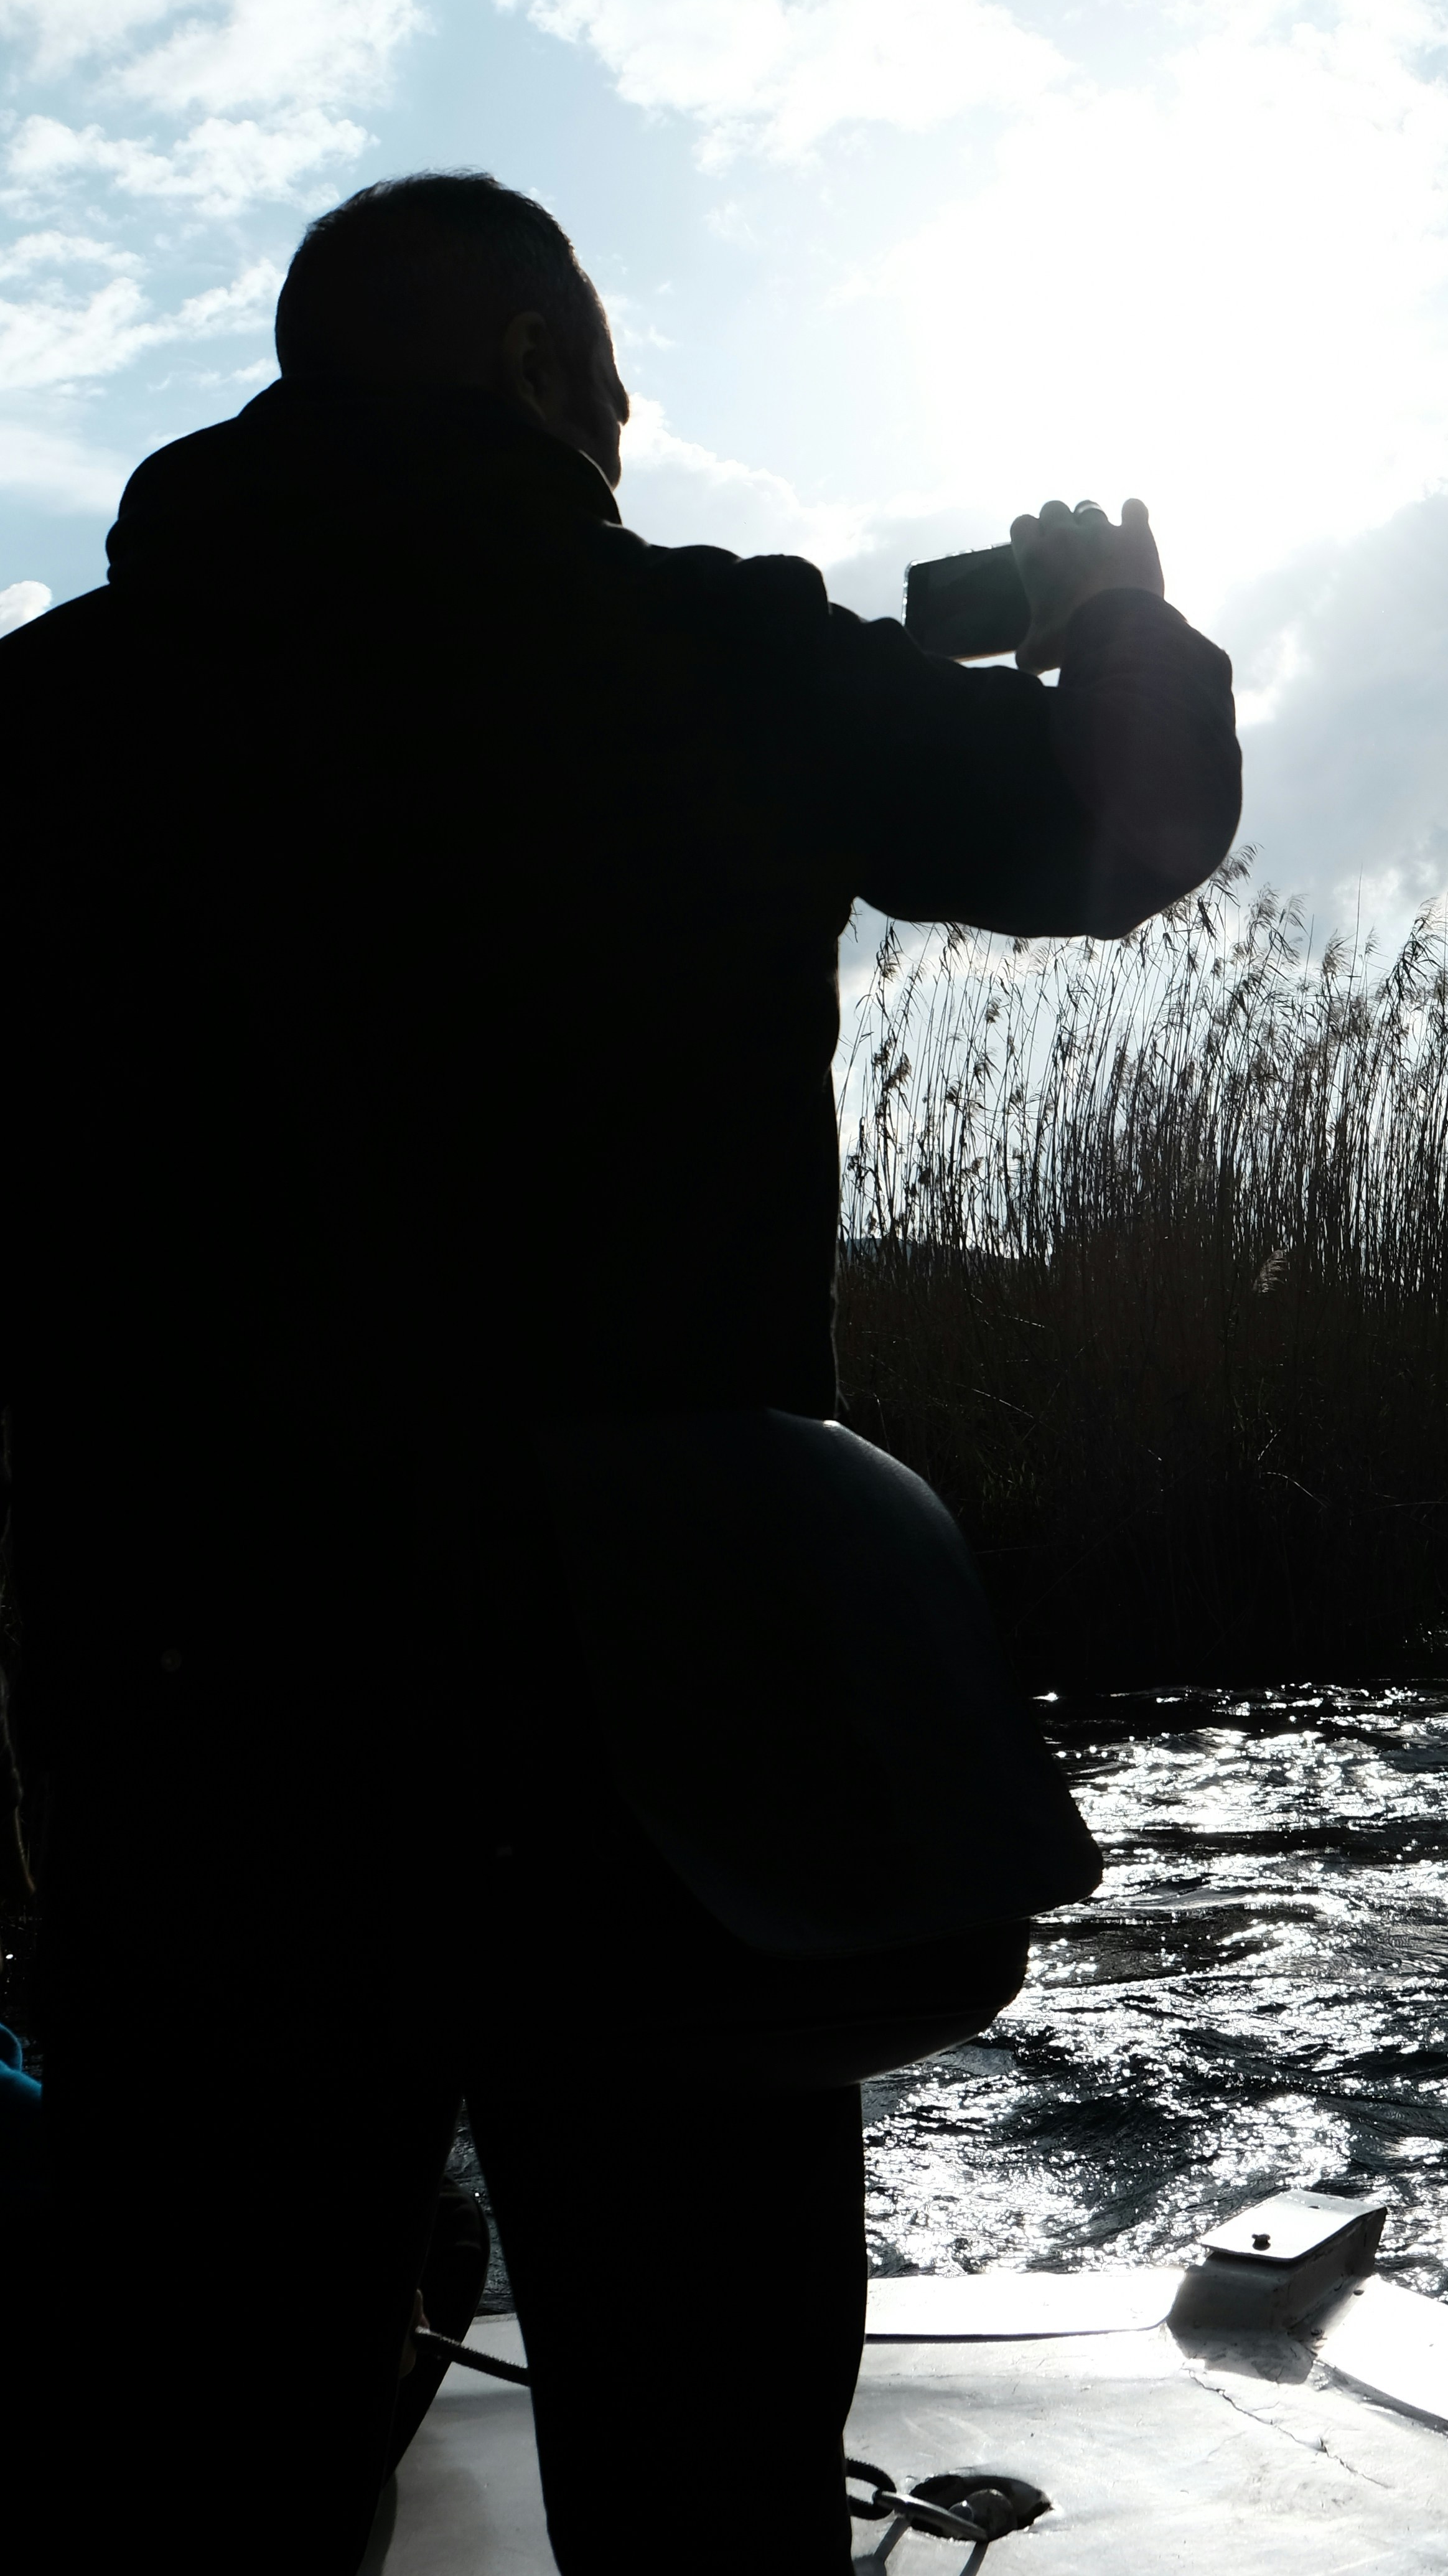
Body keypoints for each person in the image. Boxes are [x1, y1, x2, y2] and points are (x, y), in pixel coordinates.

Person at [0, 171, 1241, 2570]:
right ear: (535, 367)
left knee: (208, 2433)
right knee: (702, 2448)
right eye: (610, 390)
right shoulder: (708, 654)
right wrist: (1114, 615)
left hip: (184, 1704)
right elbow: (1128, 829)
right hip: (653, 1720)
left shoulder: (48, 715)